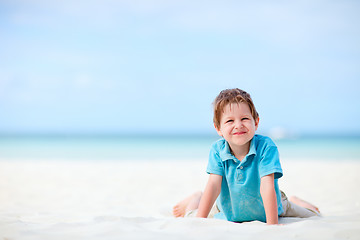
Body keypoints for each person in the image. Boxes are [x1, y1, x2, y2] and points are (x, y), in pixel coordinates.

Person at [173, 88, 320, 225]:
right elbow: (213, 185)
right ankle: (196, 198)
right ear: (218, 128)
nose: (238, 125)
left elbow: (267, 185)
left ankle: (294, 200)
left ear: (255, 122)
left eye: (244, 119)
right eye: (230, 121)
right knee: (193, 216)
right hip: (228, 208)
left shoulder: (266, 147)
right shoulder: (218, 150)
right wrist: (200, 222)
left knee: (315, 215)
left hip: (274, 204)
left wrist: (272, 226)